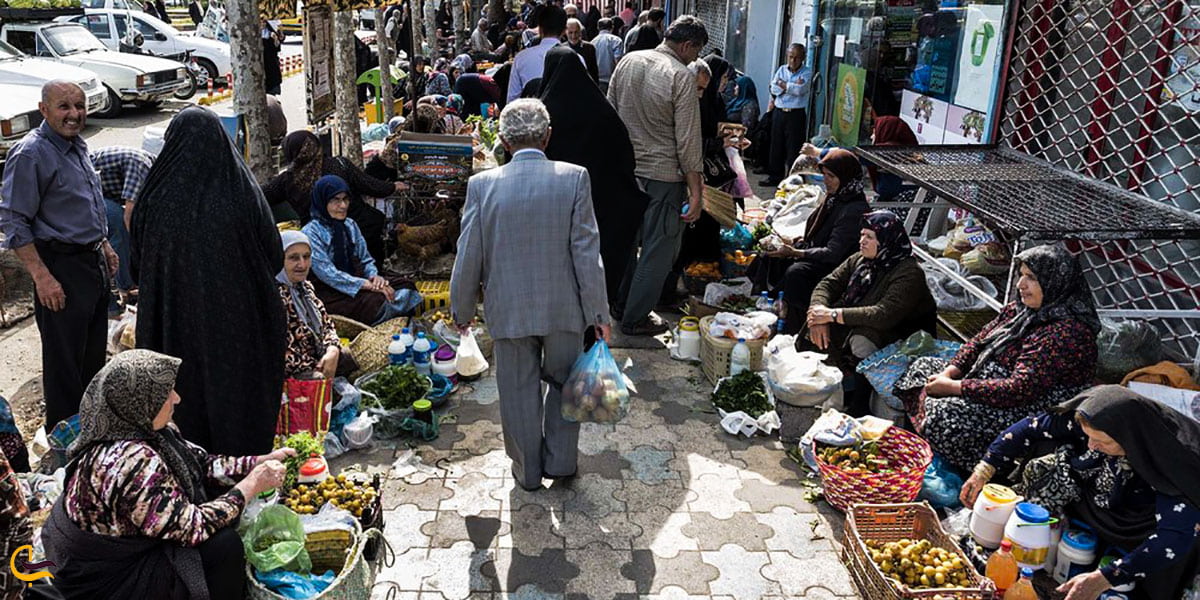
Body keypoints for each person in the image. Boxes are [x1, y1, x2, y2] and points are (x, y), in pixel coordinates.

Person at [41, 350, 292, 600]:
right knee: (223, 547)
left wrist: (259, 462)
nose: (177, 398)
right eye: (166, 393)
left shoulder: (143, 428)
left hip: (125, 544)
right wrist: (250, 485)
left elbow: (202, 464)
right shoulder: (130, 462)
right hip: (106, 576)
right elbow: (193, 528)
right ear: (140, 401)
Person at [450, 99, 610, 491]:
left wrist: (462, 307)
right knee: (564, 385)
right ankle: (561, 462)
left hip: (509, 311)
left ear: (503, 140)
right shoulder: (574, 177)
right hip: (564, 310)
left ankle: (528, 471)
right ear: (548, 136)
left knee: (518, 395)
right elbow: (587, 254)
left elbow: (468, 252)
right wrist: (599, 316)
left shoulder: (482, 185)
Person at [131, 106, 286, 457]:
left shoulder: (155, 196)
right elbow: (274, 254)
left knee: (184, 399)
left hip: (174, 327)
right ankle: (241, 468)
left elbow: (137, 262)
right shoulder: (240, 191)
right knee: (236, 397)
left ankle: (191, 467)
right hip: (237, 325)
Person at [961, 386, 1200, 600]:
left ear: (1129, 439)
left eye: (1100, 441)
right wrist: (983, 470)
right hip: (1099, 489)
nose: (1091, 445)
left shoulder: (1168, 459)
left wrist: (1105, 578)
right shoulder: (1097, 419)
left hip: (1138, 517)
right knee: (1044, 446)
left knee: (1185, 543)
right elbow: (1031, 427)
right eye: (1088, 437)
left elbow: (1176, 536)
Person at [897, 244, 1100, 472]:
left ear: (1055, 282)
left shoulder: (1066, 333)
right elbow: (977, 342)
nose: (1020, 285)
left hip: (1026, 406)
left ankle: (966, 468)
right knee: (921, 367)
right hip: (986, 380)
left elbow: (1019, 389)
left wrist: (955, 388)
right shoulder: (1019, 311)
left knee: (945, 416)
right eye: (1021, 275)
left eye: (1031, 278)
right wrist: (950, 372)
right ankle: (924, 440)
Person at [0, 81, 117, 431]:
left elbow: (87, 205)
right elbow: (13, 220)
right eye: (64, 107)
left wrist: (105, 244)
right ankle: (65, 441)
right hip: (59, 267)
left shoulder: (76, 146)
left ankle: (93, 433)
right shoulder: (31, 154)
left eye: (79, 106)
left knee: (92, 357)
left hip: (89, 262)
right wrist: (41, 276)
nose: (74, 114)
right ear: (44, 108)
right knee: (65, 364)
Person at [608, 15, 706, 335]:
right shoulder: (680, 76)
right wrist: (696, 193)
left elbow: (610, 114)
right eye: (696, 52)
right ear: (686, 45)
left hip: (626, 172)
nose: (696, 59)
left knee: (627, 244)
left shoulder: (628, 61)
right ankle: (635, 318)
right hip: (663, 177)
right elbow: (689, 142)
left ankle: (621, 305)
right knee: (658, 251)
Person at [539, 45, 647, 316]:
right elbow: (625, 155)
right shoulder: (602, 111)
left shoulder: (544, 114)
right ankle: (595, 315)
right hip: (600, 204)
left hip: (554, 208)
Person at [803, 210, 935, 413]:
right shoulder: (861, 260)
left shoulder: (909, 273)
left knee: (861, 339)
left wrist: (832, 315)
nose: (862, 241)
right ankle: (832, 386)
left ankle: (860, 403)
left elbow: (883, 315)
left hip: (904, 335)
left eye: (870, 237)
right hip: (869, 320)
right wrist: (817, 314)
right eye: (862, 235)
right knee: (820, 324)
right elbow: (827, 284)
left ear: (886, 240)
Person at [745, 148, 870, 333]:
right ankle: (766, 307)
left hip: (836, 266)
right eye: (824, 175)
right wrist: (794, 242)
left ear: (846, 177)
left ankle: (792, 325)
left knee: (797, 272)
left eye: (831, 176)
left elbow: (834, 253)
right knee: (769, 256)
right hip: (819, 254)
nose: (826, 181)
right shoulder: (835, 198)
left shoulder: (853, 209)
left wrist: (797, 252)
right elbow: (819, 233)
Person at [262, 131, 404, 263]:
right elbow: (368, 184)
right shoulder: (339, 165)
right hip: (362, 229)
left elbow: (262, 196)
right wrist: (393, 186)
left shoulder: (287, 180)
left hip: (320, 243)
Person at [302, 175, 421, 326]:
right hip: (331, 291)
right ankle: (382, 325)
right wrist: (367, 285)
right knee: (379, 302)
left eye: (345, 199)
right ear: (323, 202)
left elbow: (365, 259)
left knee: (407, 286)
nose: (343, 205)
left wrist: (374, 277)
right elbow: (328, 274)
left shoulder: (350, 225)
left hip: (358, 279)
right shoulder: (311, 233)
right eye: (335, 200)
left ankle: (393, 322)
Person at [277, 231, 355, 379]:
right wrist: (318, 366)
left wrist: (332, 350)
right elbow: (281, 354)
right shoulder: (274, 296)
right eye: (293, 258)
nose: (302, 264)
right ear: (279, 260)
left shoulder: (305, 288)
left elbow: (327, 325)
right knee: (319, 382)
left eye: (306, 257)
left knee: (351, 357)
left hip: (317, 357)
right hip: (293, 370)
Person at [90, 146, 154, 310]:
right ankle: (127, 287)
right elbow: (129, 216)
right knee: (119, 226)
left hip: (102, 192)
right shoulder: (143, 166)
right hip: (80, 191)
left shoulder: (152, 171)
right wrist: (138, 249)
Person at [763, 43, 812, 187]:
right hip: (779, 112)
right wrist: (790, 85)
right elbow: (774, 89)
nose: (793, 61)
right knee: (776, 145)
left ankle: (794, 180)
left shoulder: (807, 72)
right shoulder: (782, 70)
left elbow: (800, 90)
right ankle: (774, 177)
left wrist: (784, 85)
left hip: (795, 114)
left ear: (802, 58)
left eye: (797, 58)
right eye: (791, 57)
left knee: (794, 148)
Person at [507, 4, 567, 102]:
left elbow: (512, 100)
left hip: (531, 114)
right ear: (564, 31)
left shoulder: (521, 58)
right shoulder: (577, 58)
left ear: (540, 29)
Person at [865, 116, 919, 202]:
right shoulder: (908, 155)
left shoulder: (892, 154)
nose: (872, 136)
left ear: (886, 132)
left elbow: (859, 156)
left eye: (875, 133)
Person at [592, 17, 624, 94]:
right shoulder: (616, 41)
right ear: (612, 27)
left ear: (598, 28)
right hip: (611, 79)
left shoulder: (592, 42)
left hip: (597, 80)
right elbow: (618, 61)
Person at [564, 18, 600, 83]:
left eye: (576, 32)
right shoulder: (561, 49)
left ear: (580, 32)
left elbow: (594, 72)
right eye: (570, 33)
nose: (573, 36)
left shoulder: (589, 48)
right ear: (565, 32)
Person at [261, 19, 285, 96]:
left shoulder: (271, 32)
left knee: (271, 93)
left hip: (271, 66)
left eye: (264, 21)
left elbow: (277, 47)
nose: (262, 23)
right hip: (260, 66)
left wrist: (276, 39)